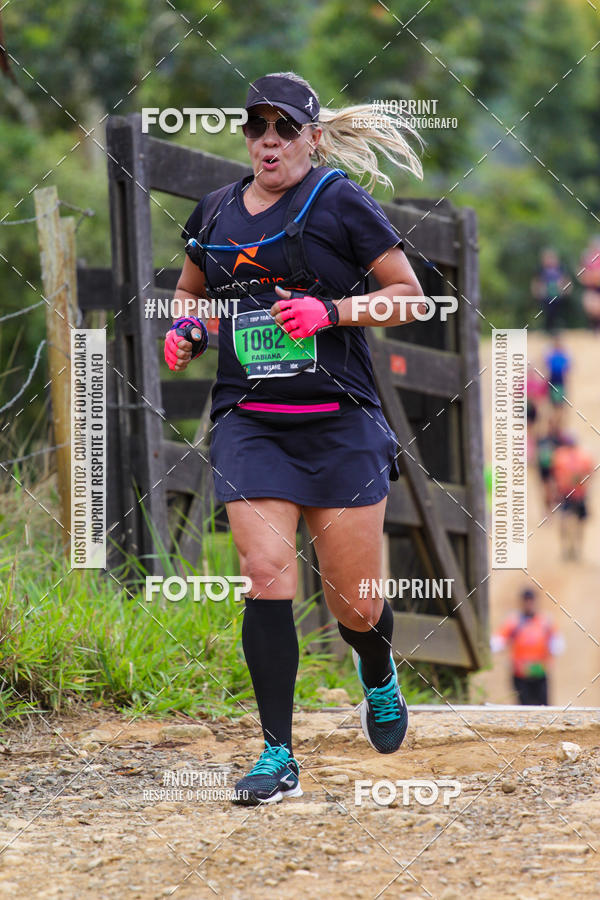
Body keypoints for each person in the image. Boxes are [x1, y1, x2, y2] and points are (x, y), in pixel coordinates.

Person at [164, 72, 425, 805]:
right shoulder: (214, 210)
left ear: (313, 135)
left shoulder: (339, 200)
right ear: (246, 135)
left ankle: (375, 666)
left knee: (354, 602)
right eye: (257, 127)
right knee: (267, 570)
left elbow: (410, 295)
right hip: (251, 424)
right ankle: (277, 754)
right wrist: (186, 330)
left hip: (340, 424)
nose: (269, 141)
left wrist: (331, 313)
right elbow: (190, 296)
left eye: (285, 128)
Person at [490, 588, 564, 705]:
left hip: (540, 672)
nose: (529, 604)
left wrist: (554, 650)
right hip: (520, 673)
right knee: (524, 707)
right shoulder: (514, 622)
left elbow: (557, 642)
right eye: (526, 600)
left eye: (531, 600)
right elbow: (498, 640)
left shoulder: (545, 621)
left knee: (543, 706)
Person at [552, 435, 595, 560]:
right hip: (577, 495)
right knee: (578, 523)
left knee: (566, 521)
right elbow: (590, 475)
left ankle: (568, 549)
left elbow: (555, 477)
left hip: (567, 494)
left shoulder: (560, 457)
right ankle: (575, 549)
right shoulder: (583, 457)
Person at [530, 248, 571, 334]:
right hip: (546, 296)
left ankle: (558, 329)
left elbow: (567, 281)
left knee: (558, 313)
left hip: (558, 296)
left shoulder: (561, 268)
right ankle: (547, 329)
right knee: (547, 313)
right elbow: (535, 282)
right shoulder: (541, 269)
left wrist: (566, 290)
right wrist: (536, 292)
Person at [544, 335, 570, 429]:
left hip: (559, 382)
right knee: (556, 407)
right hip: (555, 382)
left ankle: (556, 426)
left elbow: (566, 369)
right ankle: (555, 426)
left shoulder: (559, 356)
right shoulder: (554, 356)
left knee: (559, 407)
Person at [578, 236, 600, 333]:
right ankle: (593, 327)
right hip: (591, 286)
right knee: (590, 306)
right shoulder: (587, 257)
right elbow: (581, 273)